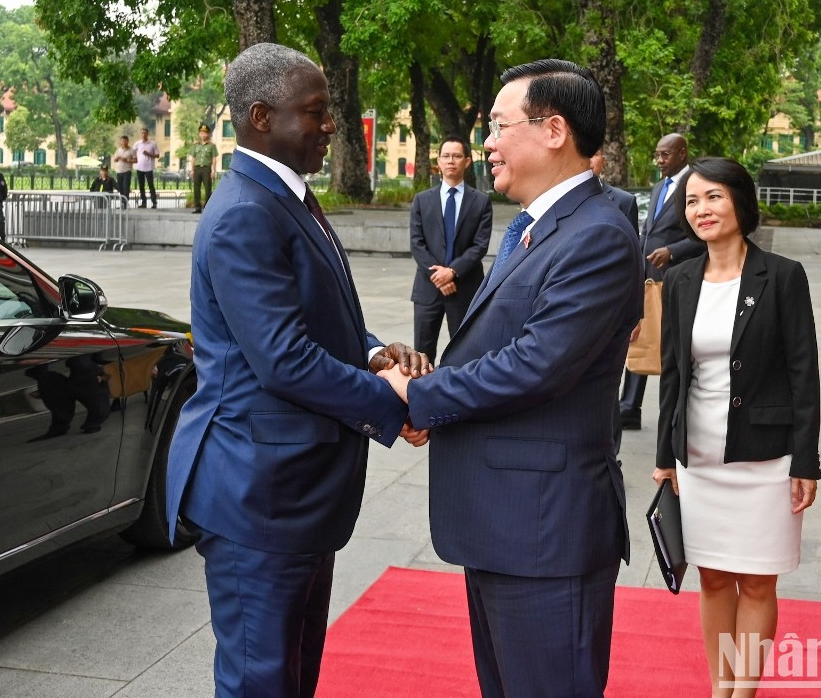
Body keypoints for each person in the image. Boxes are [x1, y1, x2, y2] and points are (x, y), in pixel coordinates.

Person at [164, 42, 429, 698]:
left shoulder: (284, 198)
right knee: (264, 681)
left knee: (292, 674)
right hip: (258, 495)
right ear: (261, 118)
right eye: (314, 113)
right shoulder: (245, 216)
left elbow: (316, 317)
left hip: (293, 493)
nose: (330, 125)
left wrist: (374, 355)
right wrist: (391, 400)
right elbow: (283, 360)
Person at [380, 59, 642, 698]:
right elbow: (498, 348)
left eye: (499, 126)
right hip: (508, 526)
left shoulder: (598, 235)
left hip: (546, 536)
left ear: (554, 130)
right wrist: (431, 383)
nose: (486, 144)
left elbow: (536, 364)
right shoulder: (535, 227)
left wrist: (422, 396)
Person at [652, 157, 820, 697]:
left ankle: (742, 693)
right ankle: (718, 687)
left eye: (714, 197)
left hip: (765, 457)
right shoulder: (678, 280)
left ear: (739, 203)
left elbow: (804, 372)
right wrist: (663, 457)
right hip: (698, 456)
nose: (702, 210)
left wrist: (805, 460)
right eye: (692, 201)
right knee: (714, 577)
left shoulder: (783, 276)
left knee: (757, 579)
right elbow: (673, 375)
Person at [618, 132, 704, 430]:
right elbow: (648, 230)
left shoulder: (696, 186)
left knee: (677, 346)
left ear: (682, 153)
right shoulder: (658, 188)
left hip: (679, 279)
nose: (659, 160)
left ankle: (684, 408)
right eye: (657, 154)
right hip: (649, 277)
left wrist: (673, 251)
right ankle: (629, 407)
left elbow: (704, 234)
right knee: (639, 337)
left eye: (665, 155)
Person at [408, 136, 493, 360]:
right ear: (439, 161)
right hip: (428, 288)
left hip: (464, 287)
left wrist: (452, 272)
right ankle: (421, 393)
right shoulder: (421, 200)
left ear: (467, 161)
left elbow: (480, 245)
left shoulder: (481, 202)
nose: (450, 161)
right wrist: (439, 276)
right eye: (445, 156)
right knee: (422, 353)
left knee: (465, 352)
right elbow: (417, 244)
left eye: (456, 156)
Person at [590, 147, 639, 461]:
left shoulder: (623, 201)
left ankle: (612, 451)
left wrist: (637, 315)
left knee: (609, 384)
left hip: (614, 308)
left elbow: (633, 261)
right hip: (579, 305)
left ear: (602, 160)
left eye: (594, 155)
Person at [189, 122, 218, 213]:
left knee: (208, 188)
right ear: (199, 134)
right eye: (201, 133)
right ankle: (197, 207)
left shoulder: (212, 146)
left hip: (206, 169)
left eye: (205, 133)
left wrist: (213, 171)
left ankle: (207, 207)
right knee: (196, 188)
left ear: (208, 134)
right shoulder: (195, 145)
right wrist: (192, 170)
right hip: (197, 169)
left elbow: (214, 159)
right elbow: (193, 158)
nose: (203, 135)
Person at [133, 127, 160, 208]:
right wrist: (134, 159)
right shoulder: (137, 144)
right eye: (142, 133)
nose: (143, 134)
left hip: (149, 168)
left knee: (151, 185)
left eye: (145, 133)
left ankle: (154, 202)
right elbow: (133, 152)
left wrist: (149, 154)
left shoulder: (152, 144)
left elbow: (157, 155)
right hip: (140, 168)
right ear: (140, 134)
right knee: (141, 186)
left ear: (148, 134)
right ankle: (144, 202)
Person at [112, 135, 136, 207]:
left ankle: (125, 203)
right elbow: (114, 159)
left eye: (125, 141)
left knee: (126, 187)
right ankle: (122, 203)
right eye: (122, 141)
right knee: (120, 188)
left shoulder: (132, 150)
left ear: (128, 141)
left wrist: (127, 160)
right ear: (120, 142)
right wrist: (117, 159)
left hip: (127, 171)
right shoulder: (118, 150)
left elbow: (135, 160)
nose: (124, 142)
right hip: (119, 171)